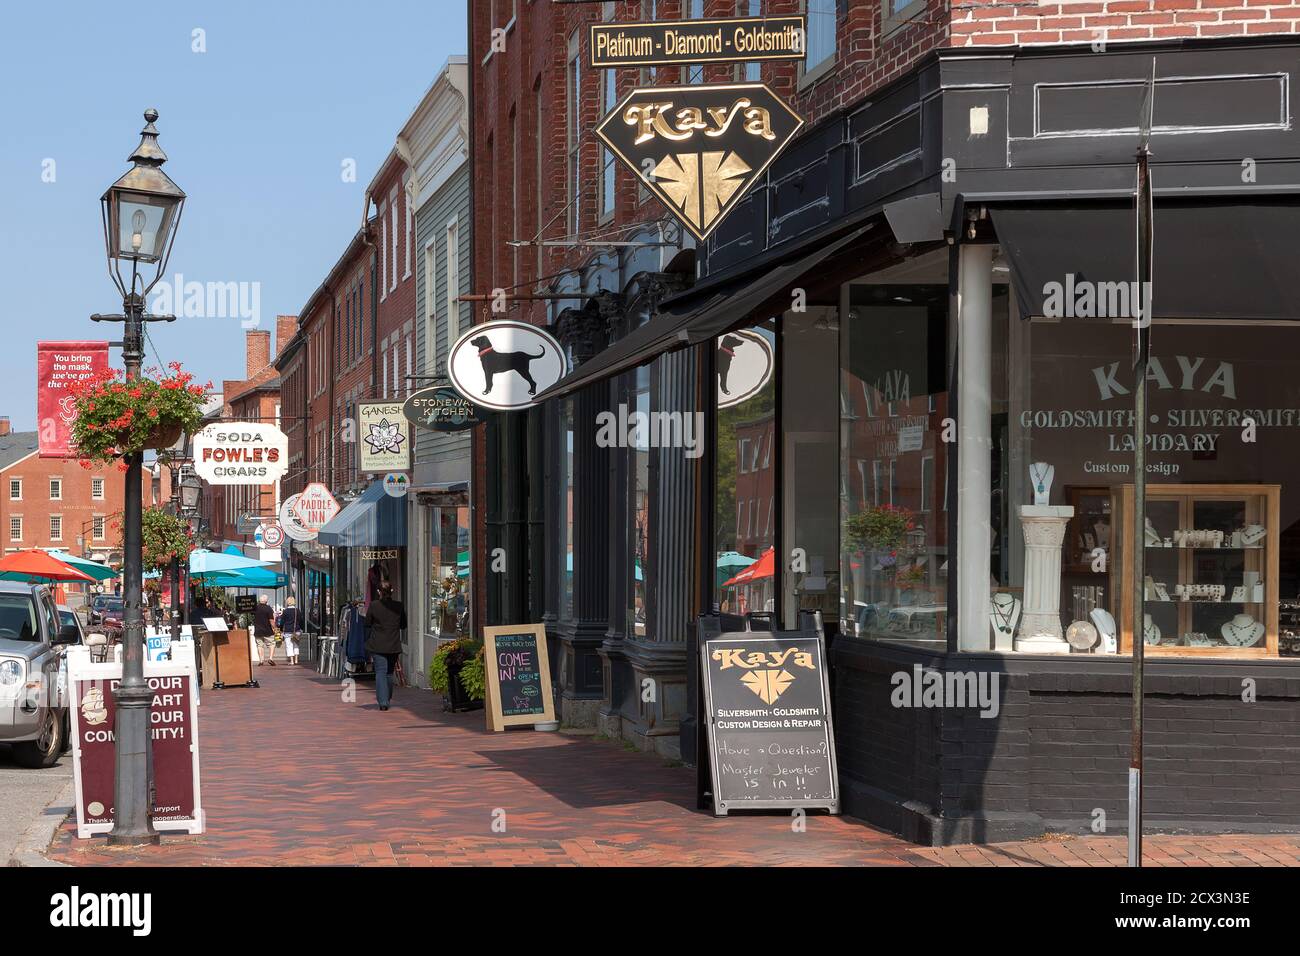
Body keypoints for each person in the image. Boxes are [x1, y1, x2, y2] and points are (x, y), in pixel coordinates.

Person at [364, 581, 406, 711]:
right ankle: (386, 697)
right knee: (388, 672)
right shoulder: (398, 606)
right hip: (393, 644)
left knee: (381, 672)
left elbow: (367, 623)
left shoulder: (374, 605)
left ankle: (383, 701)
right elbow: (403, 624)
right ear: (392, 591)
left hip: (378, 644)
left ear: (378, 592)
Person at [252, 594, 278, 666]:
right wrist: (275, 628)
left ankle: (261, 660)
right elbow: (271, 621)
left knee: (260, 645)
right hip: (267, 631)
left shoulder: (255, 608)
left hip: (258, 631)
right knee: (272, 644)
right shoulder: (269, 608)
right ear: (266, 601)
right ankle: (270, 658)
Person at [277, 596, 303, 666]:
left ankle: (292, 661)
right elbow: (301, 621)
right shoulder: (297, 610)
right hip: (296, 630)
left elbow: (282, 622)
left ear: (287, 602)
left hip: (288, 631)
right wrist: (300, 628)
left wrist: (281, 630)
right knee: (296, 645)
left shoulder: (285, 611)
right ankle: (296, 660)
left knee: (289, 646)